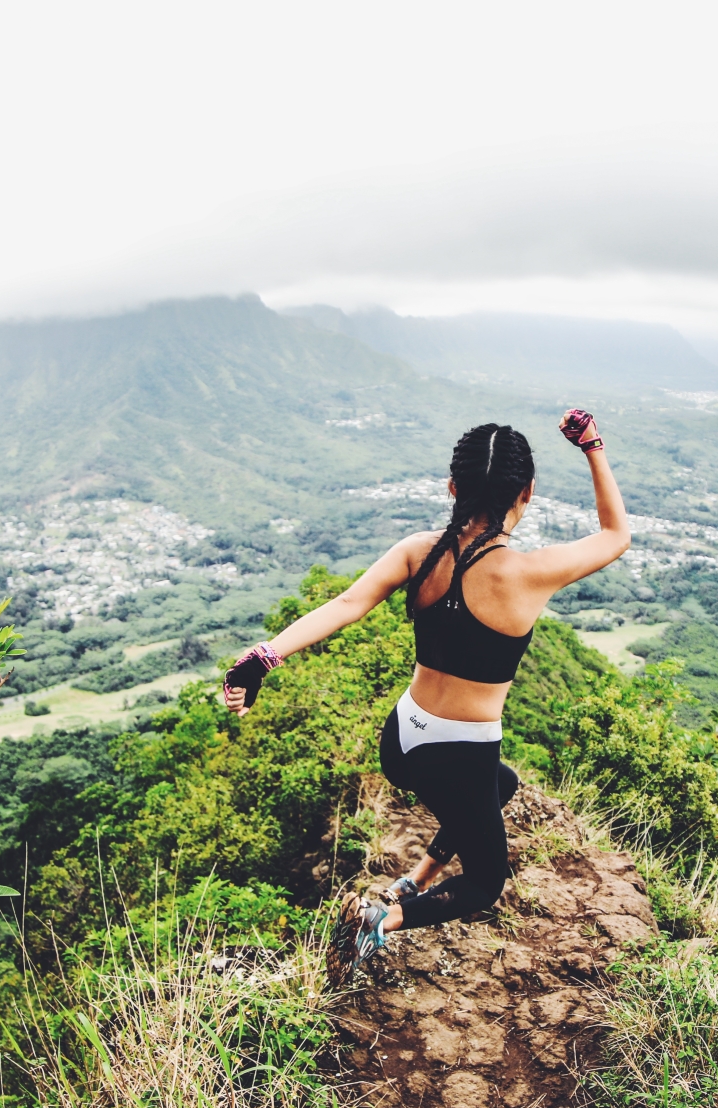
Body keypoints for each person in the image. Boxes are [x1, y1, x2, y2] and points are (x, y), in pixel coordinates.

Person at [220, 410, 631, 971]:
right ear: (527, 493)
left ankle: (413, 882)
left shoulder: (420, 550)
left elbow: (345, 606)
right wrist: (592, 447)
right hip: (458, 754)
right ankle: (377, 921)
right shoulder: (528, 572)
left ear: (453, 488)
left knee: (501, 785)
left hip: (403, 739)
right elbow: (616, 534)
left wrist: (261, 659)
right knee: (486, 884)